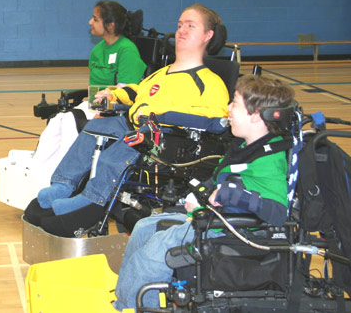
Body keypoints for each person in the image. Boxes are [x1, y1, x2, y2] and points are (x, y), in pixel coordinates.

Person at [24, 4, 229, 236]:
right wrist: (113, 96)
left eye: (190, 26)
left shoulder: (209, 82)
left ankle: (91, 200)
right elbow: (137, 91)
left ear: (208, 35)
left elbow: (214, 120)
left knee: (131, 139)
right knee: (95, 126)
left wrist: (162, 116)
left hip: (162, 137)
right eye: (180, 25)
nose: (181, 30)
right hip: (134, 123)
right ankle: (63, 184)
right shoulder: (162, 73)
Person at [112, 75, 295, 311]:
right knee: (144, 227)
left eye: (235, 103)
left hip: (234, 231)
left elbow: (278, 213)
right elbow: (222, 178)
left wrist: (228, 194)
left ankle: (136, 307)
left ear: (256, 115)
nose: (228, 108)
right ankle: (124, 301)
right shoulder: (246, 145)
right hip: (217, 218)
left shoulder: (269, 159)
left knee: (155, 251)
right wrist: (205, 193)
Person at [30, 0, 147, 172]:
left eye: (95, 19)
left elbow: (125, 93)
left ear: (110, 25)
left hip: (116, 109)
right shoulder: (98, 49)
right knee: (56, 121)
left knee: (70, 123)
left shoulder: (127, 50)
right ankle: (38, 171)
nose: (90, 22)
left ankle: (67, 174)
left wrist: (104, 113)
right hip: (95, 103)